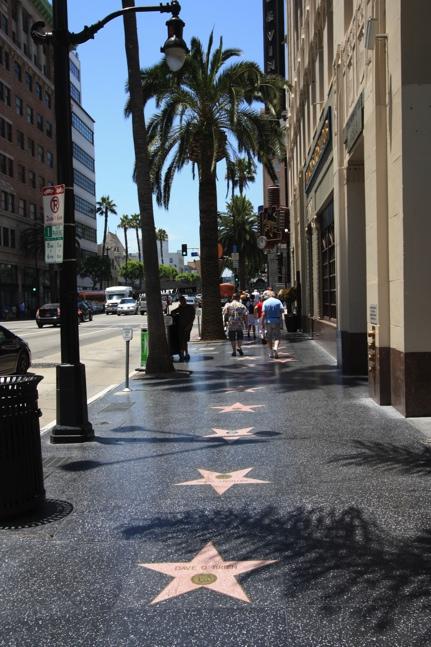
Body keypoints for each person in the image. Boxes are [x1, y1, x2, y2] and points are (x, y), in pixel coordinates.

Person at [171, 295, 195, 362]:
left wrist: (189, 325)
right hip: (181, 327)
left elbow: (193, 317)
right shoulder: (180, 308)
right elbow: (172, 312)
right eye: (181, 301)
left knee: (184, 340)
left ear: (185, 300)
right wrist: (177, 310)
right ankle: (184, 353)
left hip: (188, 326)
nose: (182, 302)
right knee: (183, 340)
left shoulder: (190, 308)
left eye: (183, 300)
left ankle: (183, 353)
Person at [261, 290, 284, 359]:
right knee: (277, 337)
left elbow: (264, 314)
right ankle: (275, 348)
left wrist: (262, 323)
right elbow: (282, 311)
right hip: (276, 320)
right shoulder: (278, 301)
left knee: (269, 337)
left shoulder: (265, 302)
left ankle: (271, 352)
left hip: (268, 321)